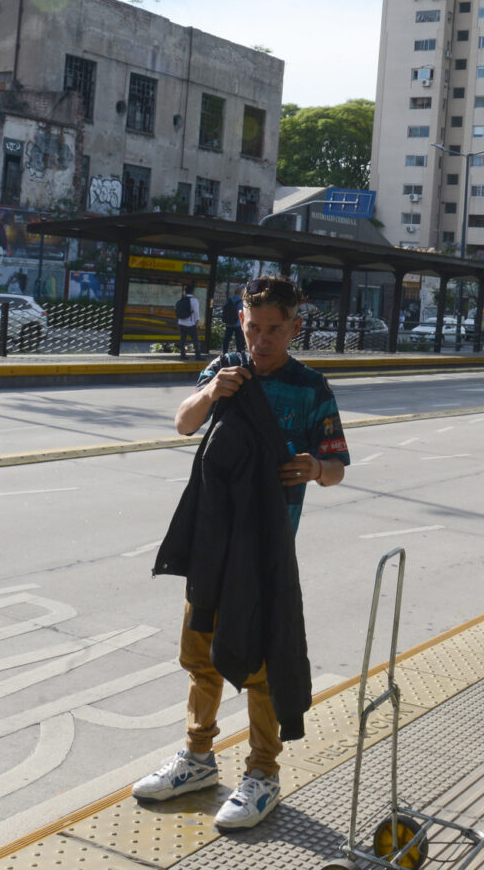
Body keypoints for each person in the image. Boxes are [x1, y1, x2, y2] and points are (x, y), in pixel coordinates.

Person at [135, 275, 349, 832]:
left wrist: (315, 468)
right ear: (241, 323)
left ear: (294, 328)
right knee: (200, 655)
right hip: (213, 541)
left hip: (267, 550)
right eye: (254, 328)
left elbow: (337, 467)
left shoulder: (311, 387)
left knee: (261, 665)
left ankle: (263, 773)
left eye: (274, 329)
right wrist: (212, 391)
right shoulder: (227, 369)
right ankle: (198, 758)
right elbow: (184, 423)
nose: (262, 340)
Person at [175, 283, 204, 359]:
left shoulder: (182, 299)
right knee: (195, 340)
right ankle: (198, 356)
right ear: (192, 291)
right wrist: (197, 321)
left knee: (182, 340)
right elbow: (196, 312)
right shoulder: (194, 300)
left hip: (181, 322)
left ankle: (182, 355)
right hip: (190, 323)